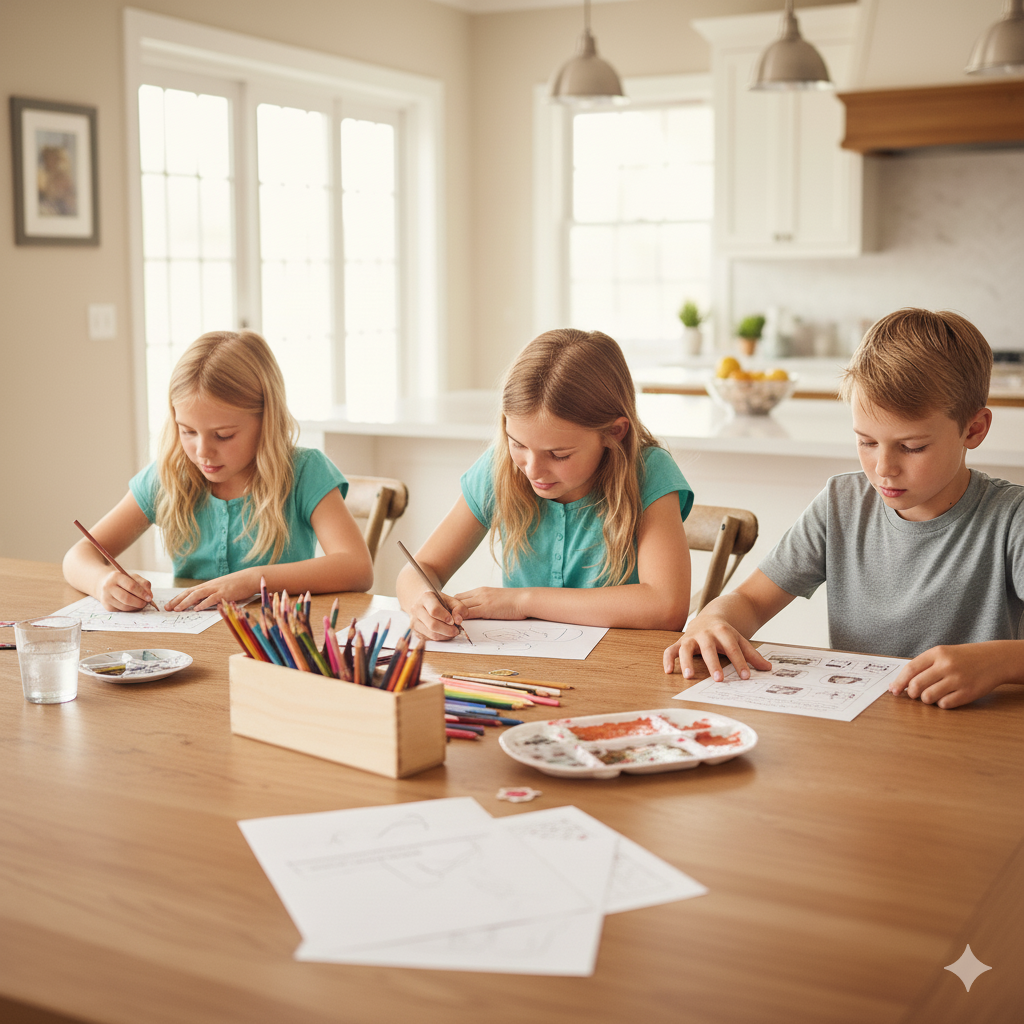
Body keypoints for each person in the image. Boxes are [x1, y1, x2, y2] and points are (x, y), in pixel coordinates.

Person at [663, 308, 1024, 710]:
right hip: (860, 728)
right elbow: (750, 602)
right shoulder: (841, 504)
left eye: (912, 447)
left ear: (973, 429)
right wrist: (713, 620)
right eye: (867, 442)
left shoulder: (1012, 519)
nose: (883, 468)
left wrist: (1002, 661)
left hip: (975, 737)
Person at [398, 328, 694, 640]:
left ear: (614, 432)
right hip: (524, 671)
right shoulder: (500, 467)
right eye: (518, 444)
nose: (533, 470)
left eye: (558, 454)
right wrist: (421, 602)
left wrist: (521, 601)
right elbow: (420, 568)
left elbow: (666, 606)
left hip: (618, 671)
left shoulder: (648, 472)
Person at [63, 330, 373, 611]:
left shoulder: (305, 472)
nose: (202, 452)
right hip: (191, 650)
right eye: (187, 431)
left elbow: (357, 568)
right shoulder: (168, 476)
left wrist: (253, 580)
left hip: (272, 648)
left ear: (266, 420)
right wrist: (103, 583)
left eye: (223, 435)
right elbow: (78, 557)